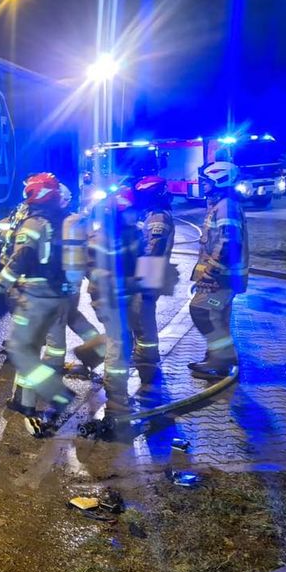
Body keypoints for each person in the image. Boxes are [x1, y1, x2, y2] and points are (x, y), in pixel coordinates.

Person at [0, 172, 74, 436]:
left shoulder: (34, 223)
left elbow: (20, 259)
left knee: (26, 352)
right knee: (36, 348)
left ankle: (51, 395)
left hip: (35, 294)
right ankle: (23, 399)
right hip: (58, 293)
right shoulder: (63, 220)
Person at [83, 187, 142, 423]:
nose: (133, 215)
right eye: (128, 212)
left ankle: (90, 353)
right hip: (110, 300)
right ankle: (117, 400)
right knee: (119, 346)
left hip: (118, 298)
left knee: (120, 340)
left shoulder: (128, 234)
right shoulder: (105, 239)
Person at [188, 160, 249, 379]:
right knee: (218, 316)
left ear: (219, 179)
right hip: (223, 276)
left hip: (221, 277)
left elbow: (229, 242)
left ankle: (222, 358)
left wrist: (210, 271)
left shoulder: (226, 207)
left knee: (202, 310)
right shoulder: (223, 204)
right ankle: (217, 360)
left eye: (206, 181)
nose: (203, 185)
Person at [46, 183, 106, 377]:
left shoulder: (53, 223)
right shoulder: (75, 222)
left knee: (56, 321)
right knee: (72, 315)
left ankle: (51, 370)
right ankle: (99, 348)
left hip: (57, 284)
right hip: (72, 281)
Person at [129, 175, 175, 386]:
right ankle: (143, 356)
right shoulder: (150, 215)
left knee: (144, 318)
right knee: (139, 316)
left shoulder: (158, 218)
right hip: (149, 270)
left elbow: (153, 248)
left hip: (150, 271)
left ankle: (147, 363)